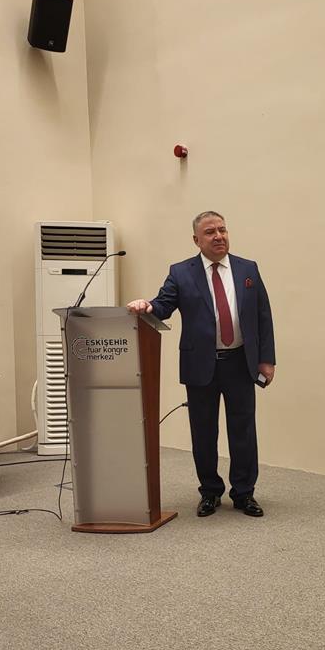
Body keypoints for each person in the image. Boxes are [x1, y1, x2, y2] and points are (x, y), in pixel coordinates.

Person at [127, 210, 275, 518]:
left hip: (240, 362)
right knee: (204, 432)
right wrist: (147, 305)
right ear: (196, 240)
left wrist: (266, 359)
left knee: (243, 431)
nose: (219, 236)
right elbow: (163, 305)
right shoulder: (181, 272)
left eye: (222, 229)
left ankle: (244, 493)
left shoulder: (248, 269)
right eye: (210, 232)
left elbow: (263, 315)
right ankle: (210, 492)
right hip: (201, 365)